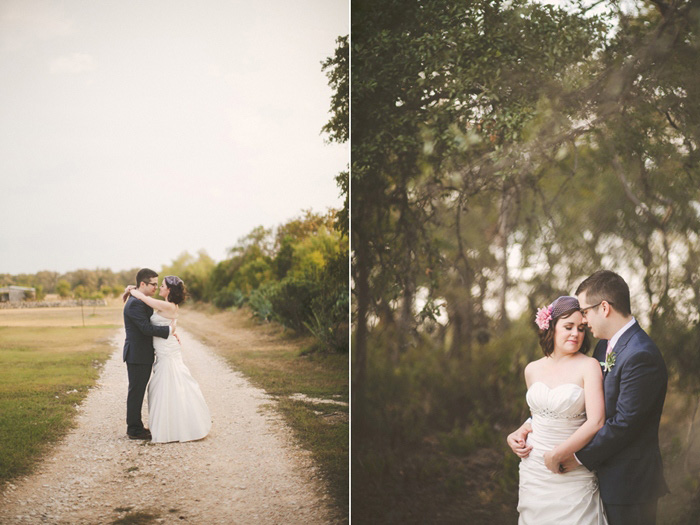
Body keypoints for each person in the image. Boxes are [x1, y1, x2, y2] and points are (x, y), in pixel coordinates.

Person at [509, 271, 668, 525]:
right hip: (590, 474)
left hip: (630, 483)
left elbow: (623, 423)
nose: (582, 320)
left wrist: (575, 458)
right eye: (570, 324)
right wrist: (528, 426)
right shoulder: (604, 347)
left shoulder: (641, 354)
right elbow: (577, 405)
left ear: (603, 307)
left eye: (584, 312)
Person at [510, 295, 607, 524]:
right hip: (534, 472)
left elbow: (596, 422)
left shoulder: (588, 366)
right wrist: (520, 431)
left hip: (570, 470)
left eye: (581, 328)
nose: (576, 333)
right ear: (551, 327)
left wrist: (559, 453)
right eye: (568, 326)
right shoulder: (532, 369)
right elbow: (540, 414)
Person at [127, 275, 212, 443]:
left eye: (163, 285)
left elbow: (143, 298)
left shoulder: (167, 305)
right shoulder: (168, 305)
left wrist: (131, 290)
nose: (159, 288)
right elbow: (162, 321)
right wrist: (172, 331)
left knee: (169, 384)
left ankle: (176, 427)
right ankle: (169, 425)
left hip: (166, 351)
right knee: (163, 386)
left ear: (170, 290)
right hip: (164, 347)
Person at [122, 268, 173, 440]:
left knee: (138, 390)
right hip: (137, 355)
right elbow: (145, 328)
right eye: (153, 284)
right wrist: (169, 330)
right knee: (136, 391)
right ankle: (134, 429)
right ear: (142, 284)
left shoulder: (138, 299)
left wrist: (131, 289)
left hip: (141, 354)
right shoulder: (135, 303)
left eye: (157, 285)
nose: (155, 288)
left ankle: (135, 426)